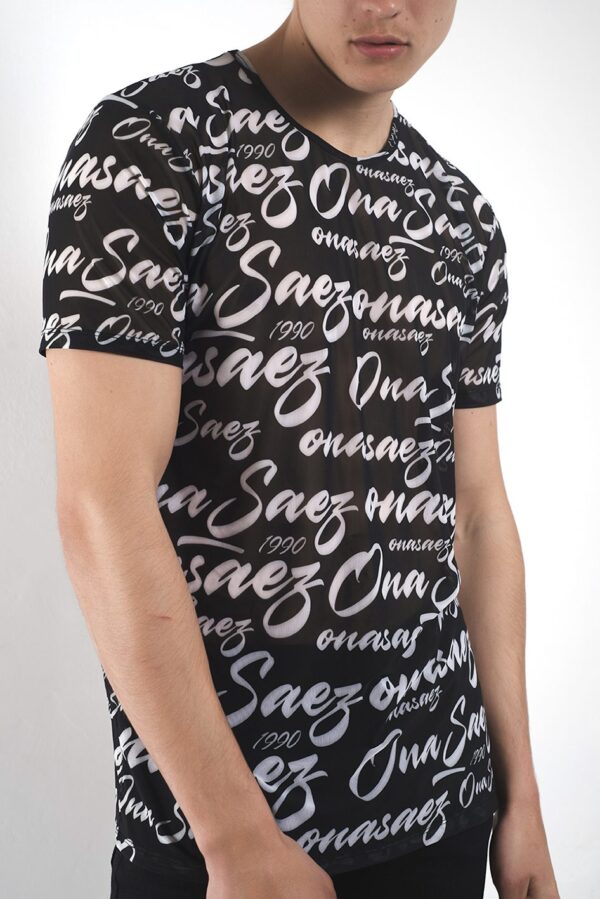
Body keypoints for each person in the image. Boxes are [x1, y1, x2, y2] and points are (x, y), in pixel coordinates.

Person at [39, 1, 561, 897]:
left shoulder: (461, 219)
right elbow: (101, 502)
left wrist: (522, 799)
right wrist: (234, 833)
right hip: (215, 840)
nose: (385, 5)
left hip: (441, 805)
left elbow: (477, 514)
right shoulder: (151, 145)